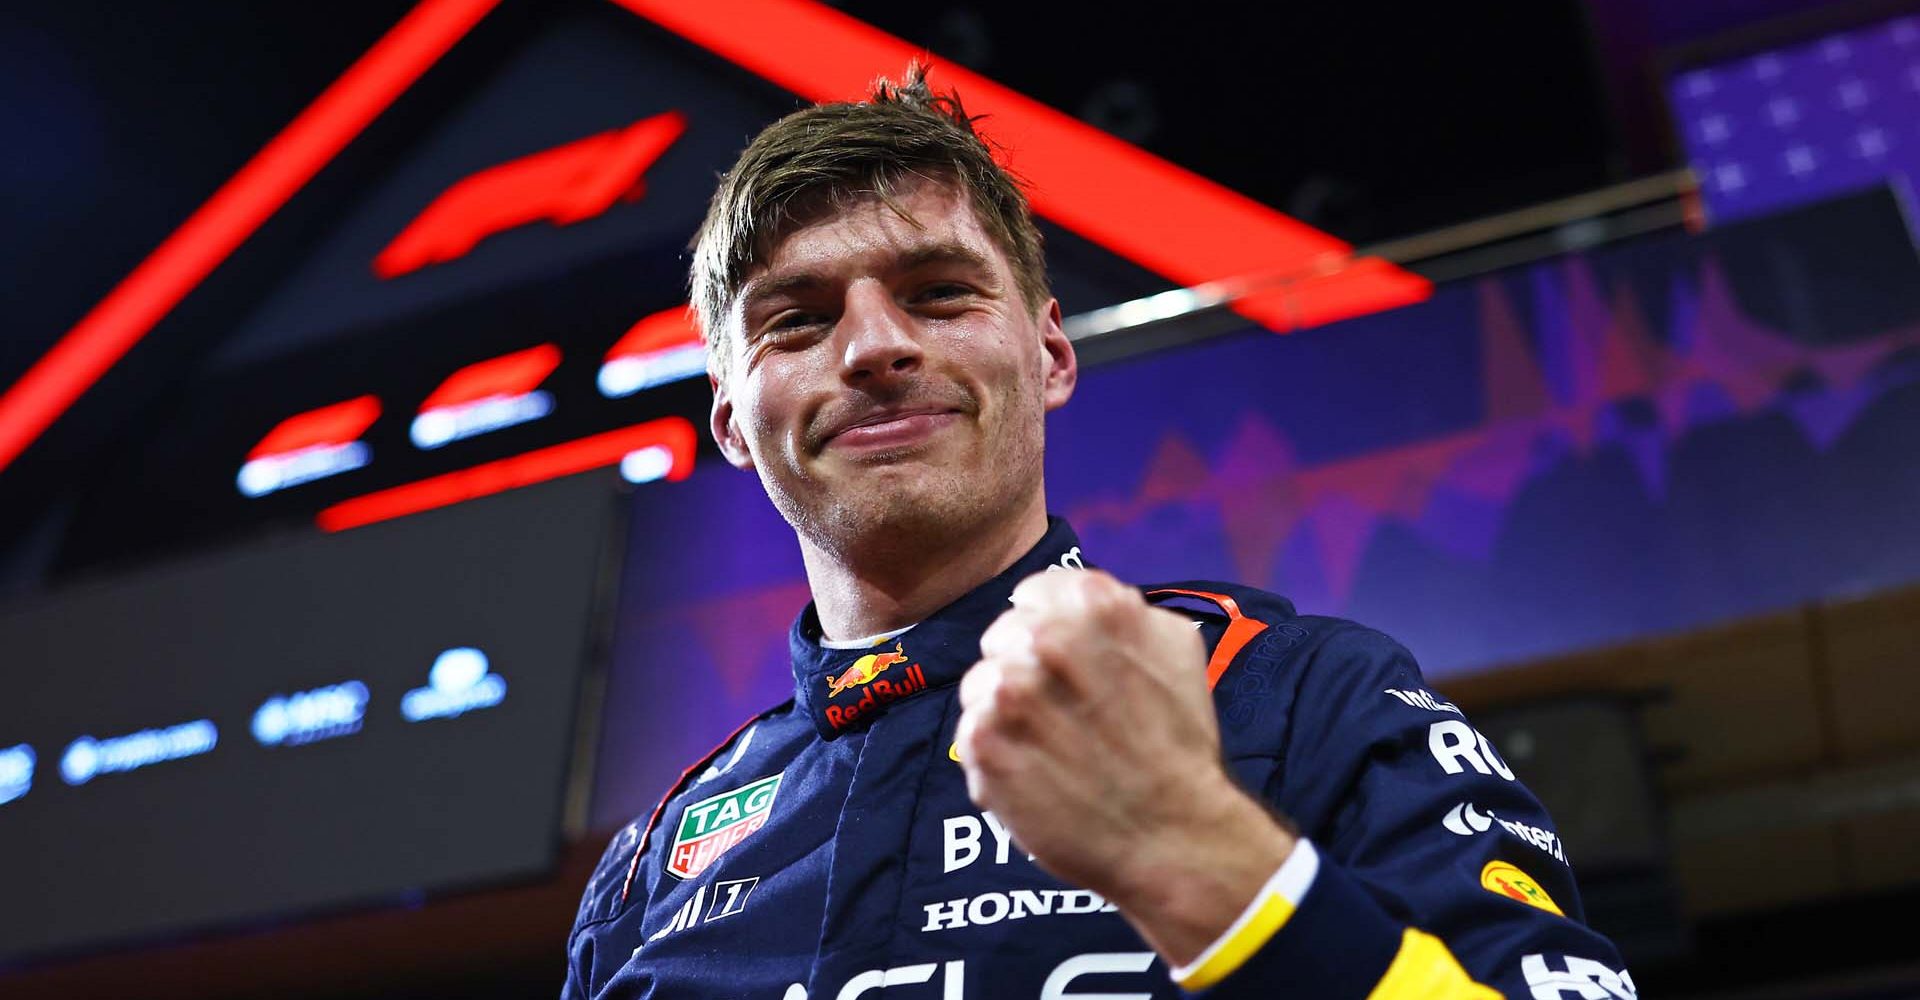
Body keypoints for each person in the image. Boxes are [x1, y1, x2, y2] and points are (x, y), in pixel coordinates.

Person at [562, 67, 1633, 999]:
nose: (875, 346)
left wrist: (1203, 860)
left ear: (1053, 358)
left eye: (938, 293)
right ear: (731, 424)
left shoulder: (1300, 697)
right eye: (798, 318)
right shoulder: (654, 868)